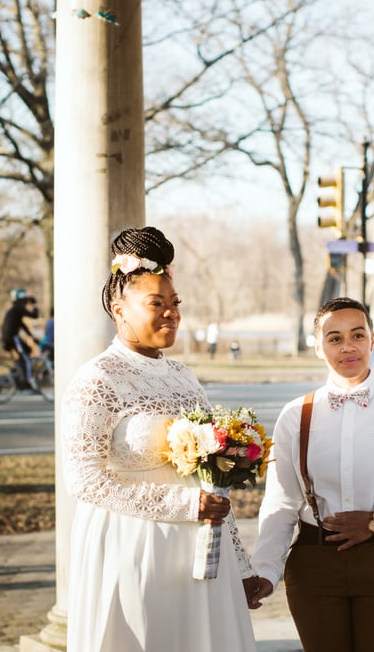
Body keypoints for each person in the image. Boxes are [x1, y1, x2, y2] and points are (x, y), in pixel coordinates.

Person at [61, 226, 258, 652]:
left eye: (175, 303)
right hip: (131, 547)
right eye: (157, 303)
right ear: (120, 311)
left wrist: (241, 567)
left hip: (201, 552)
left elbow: (213, 477)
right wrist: (185, 505)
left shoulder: (184, 377)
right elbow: (83, 479)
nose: (171, 313)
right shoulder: (98, 379)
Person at [249, 297, 374, 651]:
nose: (348, 347)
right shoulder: (296, 415)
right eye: (334, 338)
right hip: (315, 565)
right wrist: (264, 570)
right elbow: (282, 500)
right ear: (318, 347)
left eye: (357, 335)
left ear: (372, 339)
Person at [0, 291, 39, 388]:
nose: (25, 303)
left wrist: (32, 337)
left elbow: (23, 326)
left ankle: (19, 379)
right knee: (25, 359)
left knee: (25, 354)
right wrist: (34, 304)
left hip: (8, 338)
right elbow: (34, 315)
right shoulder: (18, 309)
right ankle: (26, 382)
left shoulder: (14, 311)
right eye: (24, 301)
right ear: (20, 300)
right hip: (12, 338)